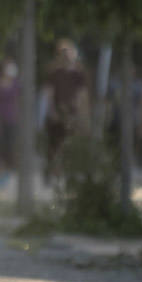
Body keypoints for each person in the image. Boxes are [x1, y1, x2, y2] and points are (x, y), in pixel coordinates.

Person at [41, 38, 88, 181]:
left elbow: (82, 95)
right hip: (57, 112)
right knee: (53, 144)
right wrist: (51, 111)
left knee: (70, 143)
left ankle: (68, 173)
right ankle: (50, 173)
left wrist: (82, 113)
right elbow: (48, 93)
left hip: (72, 113)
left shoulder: (78, 73)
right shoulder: (53, 72)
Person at [0, 56, 20, 185]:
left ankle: (6, 172)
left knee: (9, 148)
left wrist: (18, 116)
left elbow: (18, 102)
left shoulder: (16, 84)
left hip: (11, 120)